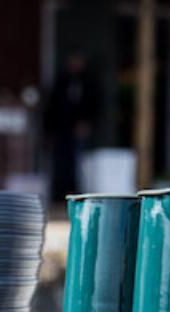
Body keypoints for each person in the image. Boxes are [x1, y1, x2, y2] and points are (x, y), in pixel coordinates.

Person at [45, 51, 99, 203]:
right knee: (60, 163)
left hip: (79, 130)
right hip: (61, 129)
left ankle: (78, 195)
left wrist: (87, 123)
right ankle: (59, 195)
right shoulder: (61, 80)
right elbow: (51, 107)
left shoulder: (88, 82)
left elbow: (95, 105)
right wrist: (49, 132)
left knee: (79, 163)